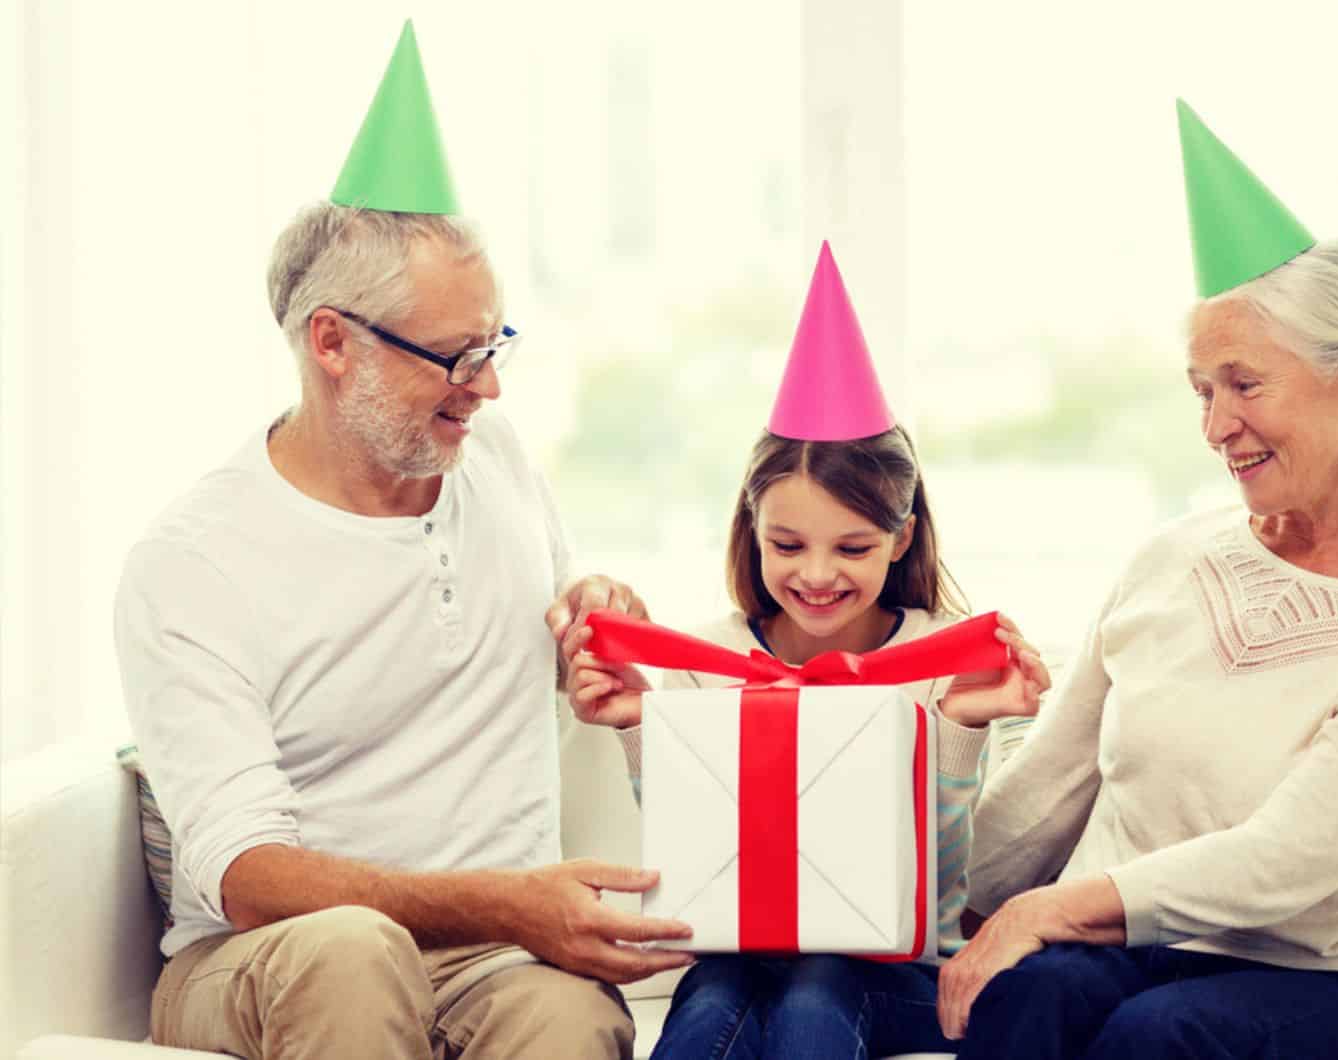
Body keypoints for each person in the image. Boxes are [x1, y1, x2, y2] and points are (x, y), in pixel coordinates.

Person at [112, 23, 690, 1060]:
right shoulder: (195, 561)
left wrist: (595, 615)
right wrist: (510, 903)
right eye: (457, 356)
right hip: (276, 956)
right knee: (355, 951)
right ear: (331, 342)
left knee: (565, 1017)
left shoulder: (494, 457)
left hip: (494, 962)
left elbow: (564, 628)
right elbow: (247, 877)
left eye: (496, 344)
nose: (491, 386)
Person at [935, 100, 1338, 1060]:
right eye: (1202, 391)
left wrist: (1045, 911)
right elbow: (1044, 798)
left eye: (1244, 385)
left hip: (1322, 975)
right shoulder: (1168, 560)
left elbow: (1283, 859)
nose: (1215, 427)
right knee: (1024, 1004)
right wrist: (956, 774)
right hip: (1129, 954)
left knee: (1162, 1034)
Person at [559, 242, 1052, 1059]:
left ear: (901, 540)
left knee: (817, 987)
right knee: (712, 996)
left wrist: (961, 730)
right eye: (787, 544)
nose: (816, 576)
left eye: (852, 549)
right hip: (743, 961)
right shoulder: (705, 661)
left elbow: (933, 892)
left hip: (893, 973)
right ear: (750, 530)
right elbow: (703, 862)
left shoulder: (941, 660)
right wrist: (637, 726)